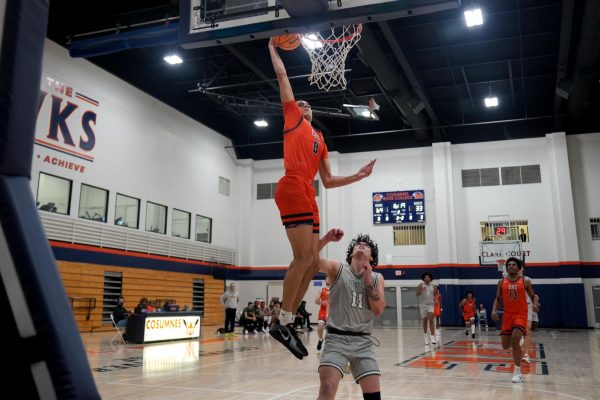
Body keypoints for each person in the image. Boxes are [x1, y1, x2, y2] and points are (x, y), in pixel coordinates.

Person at [267, 37, 377, 358]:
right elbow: (283, 78)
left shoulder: (320, 139)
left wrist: (357, 176)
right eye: (300, 104)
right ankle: (282, 321)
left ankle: (287, 319)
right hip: (291, 185)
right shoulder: (292, 120)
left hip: (310, 192)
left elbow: (327, 180)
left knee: (313, 262)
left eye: (306, 104)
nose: (304, 105)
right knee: (303, 258)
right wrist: (273, 49)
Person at [317, 228, 385, 400]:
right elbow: (310, 260)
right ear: (351, 254)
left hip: (363, 342)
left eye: (366, 245)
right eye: (358, 244)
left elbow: (378, 310)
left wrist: (368, 282)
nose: (361, 244)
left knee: (374, 397)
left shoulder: (377, 277)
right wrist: (325, 239)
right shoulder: (337, 269)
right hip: (336, 339)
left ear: (371, 257)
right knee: (327, 388)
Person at [491, 257, 538, 383]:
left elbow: (534, 296)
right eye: (509, 265)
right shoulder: (501, 282)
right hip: (507, 315)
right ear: (506, 268)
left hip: (520, 314)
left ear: (519, 267)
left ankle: (517, 372)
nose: (511, 266)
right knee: (505, 346)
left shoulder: (525, 281)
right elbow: (497, 298)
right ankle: (519, 338)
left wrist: (535, 304)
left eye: (513, 264)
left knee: (515, 339)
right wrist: (494, 310)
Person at [416, 272, 436, 345]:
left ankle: (432, 337)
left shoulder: (433, 286)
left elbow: (435, 294)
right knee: (424, 321)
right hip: (423, 305)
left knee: (431, 319)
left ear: (430, 278)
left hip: (431, 304)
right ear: (424, 278)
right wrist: (421, 290)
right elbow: (417, 294)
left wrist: (436, 299)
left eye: (428, 277)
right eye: (426, 277)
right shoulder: (421, 285)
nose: (427, 278)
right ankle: (425, 336)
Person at [315, 278, 330, 350]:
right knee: (320, 327)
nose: (328, 280)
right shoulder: (321, 289)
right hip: (323, 311)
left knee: (331, 330)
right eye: (327, 278)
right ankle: (320, 339)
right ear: (325, 280)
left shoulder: (334, 289)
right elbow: (316, 301)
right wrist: (321, 302)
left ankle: (330, 345)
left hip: (332, 312)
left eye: (329, 278)